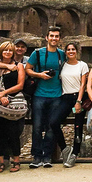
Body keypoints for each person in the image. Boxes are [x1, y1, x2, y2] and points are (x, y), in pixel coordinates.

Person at [25, 26, 66, 169]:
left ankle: (47, 155)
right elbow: (27, 69)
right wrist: (40, 75)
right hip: (39, 95)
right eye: (52, 36)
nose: (54, 38)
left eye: (56, 36)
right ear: (46, 38)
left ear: (59, 38)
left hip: (56, 95)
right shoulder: (37, 53)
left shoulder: (62, 54)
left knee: (50, 127)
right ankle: (37, 156)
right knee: (37, 127)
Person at [0, 41, 25, 173]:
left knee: (13, 132)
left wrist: (4, 93)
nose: (7, 53)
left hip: (13, 102)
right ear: (1, 52)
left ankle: (16, 160)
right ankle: (1, 161)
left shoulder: (19, 66)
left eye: (10, 50)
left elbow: (20, 85)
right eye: (5, 50)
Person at [53, 42, 89, 168]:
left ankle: (75, 153)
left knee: (77, 127)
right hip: (65, 97)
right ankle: (64, 148)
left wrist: (79, 101)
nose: (71, 51)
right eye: (68, 50)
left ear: (77, 51)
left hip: (78, 97)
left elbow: (83, 84)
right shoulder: (63, 65)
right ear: (66, 52)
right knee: (54, 122)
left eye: (73, 49)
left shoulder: (82, 65)